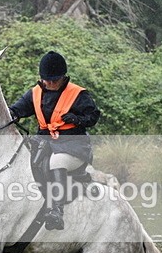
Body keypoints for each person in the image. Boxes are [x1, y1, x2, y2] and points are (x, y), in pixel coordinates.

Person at [8, 51, 100, 230]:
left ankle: (56, 211)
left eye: (54, 80)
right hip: (44, 143)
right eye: (46, 80)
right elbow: (17, 109)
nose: (49, 84)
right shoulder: (35, 93)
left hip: (74, 147)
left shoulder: (77, 94)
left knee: (55, 162)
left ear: (63, 78)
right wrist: (13, 114)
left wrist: (76, 119)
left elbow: (93, 117)